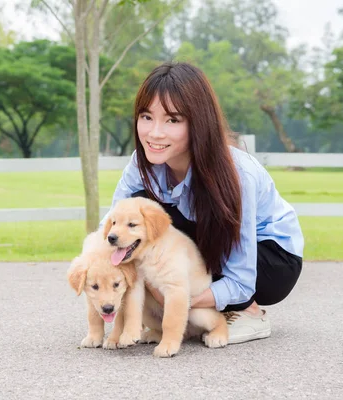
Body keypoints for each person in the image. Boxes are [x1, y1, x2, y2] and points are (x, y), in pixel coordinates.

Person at [101, 62, 304, 345]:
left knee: (157, 218)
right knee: (139, 214)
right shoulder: (141, 162)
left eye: (172, 120)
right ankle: (200, 313)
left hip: (270, 261)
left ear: (199, 123)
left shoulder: (237, 174)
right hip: (209, 247)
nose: (155, 133)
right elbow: (110, 232)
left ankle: (248, 311)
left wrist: (174, 300)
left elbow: (242, 280)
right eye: (146, 117)